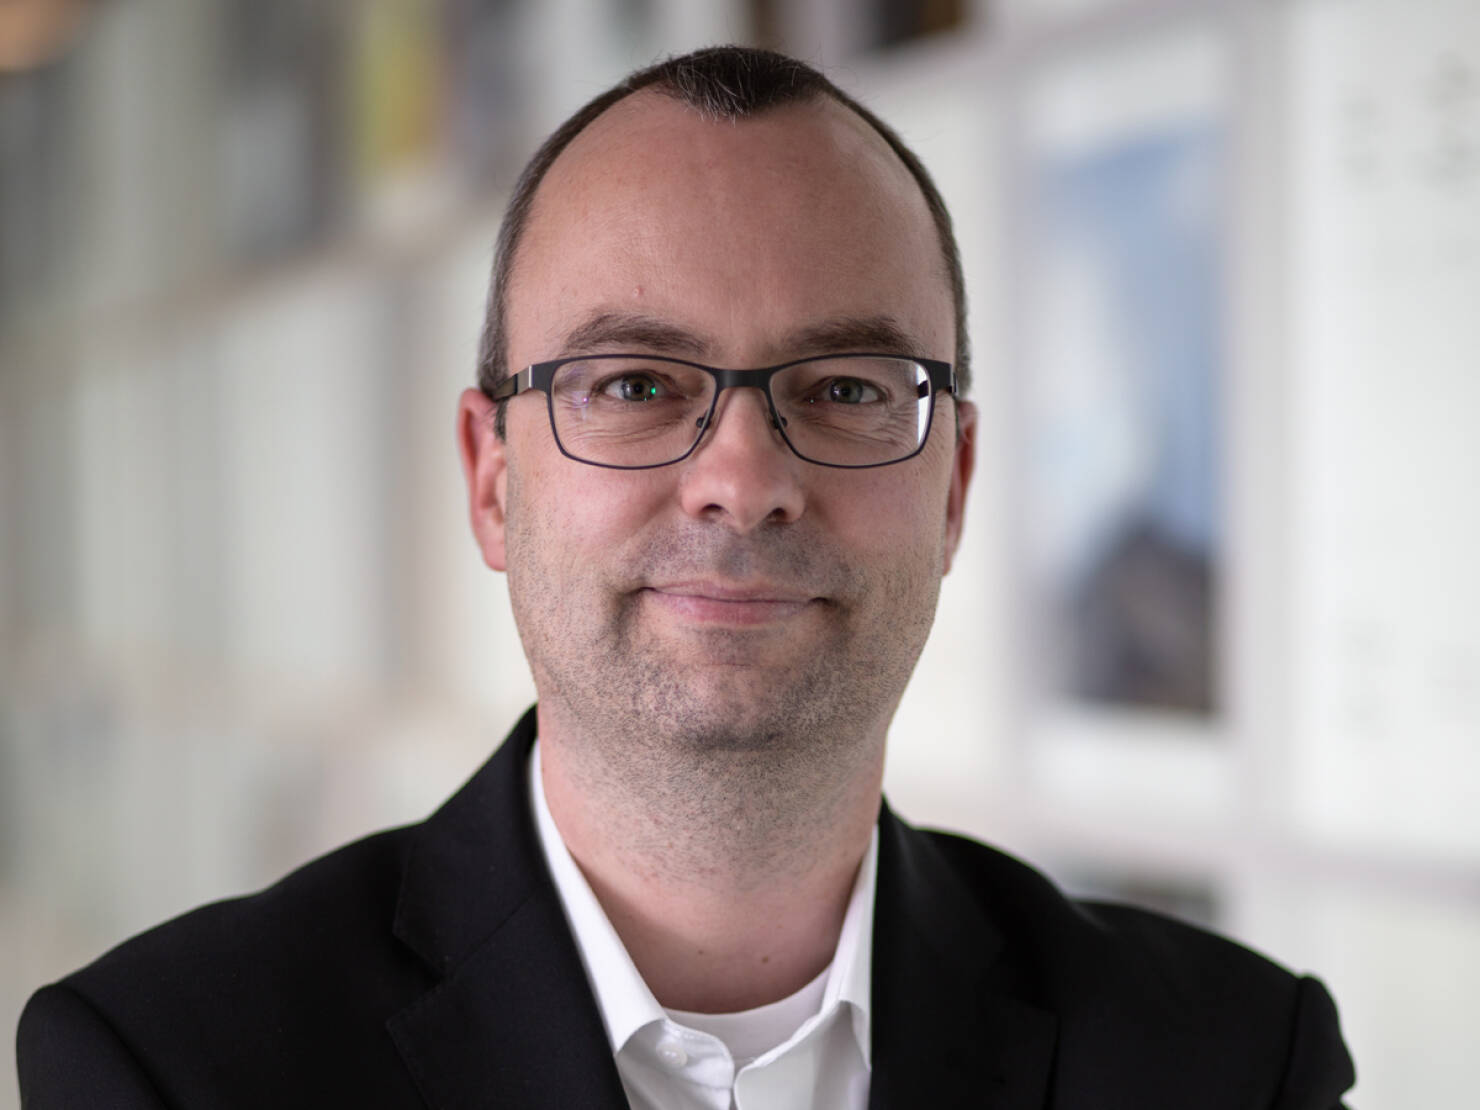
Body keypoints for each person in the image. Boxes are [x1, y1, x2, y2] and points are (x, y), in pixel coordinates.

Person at [17, 46, 1354, 1109]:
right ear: (492, 480)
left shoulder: (1230, 1063)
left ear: (953, 486)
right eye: (635, 384)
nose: (742, 477)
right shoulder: (176, 1069)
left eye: (846, 388)